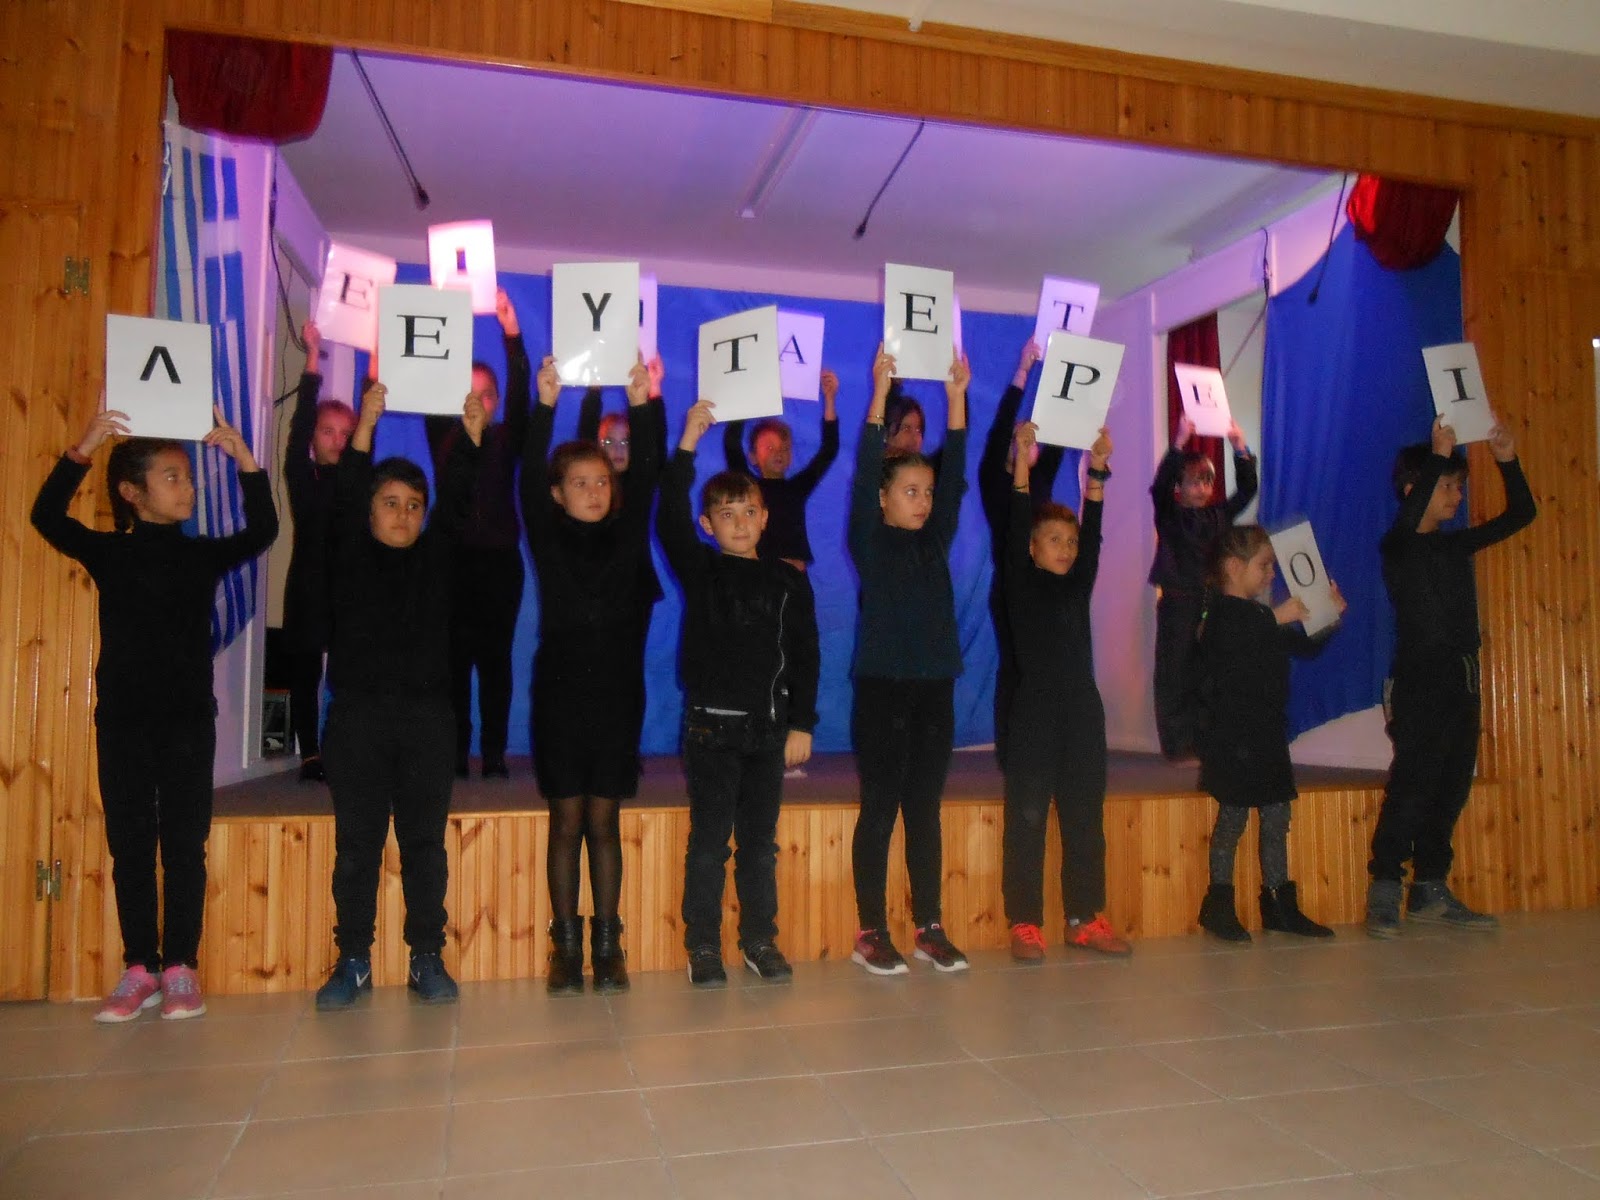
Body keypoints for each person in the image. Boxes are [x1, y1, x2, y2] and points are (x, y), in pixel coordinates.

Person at [32, 402, 277, 1022]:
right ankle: (140, 966)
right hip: (123, 723)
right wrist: (84, 446)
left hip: (189, 720)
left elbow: (263, 532)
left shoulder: (201, 556)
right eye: (173, 477)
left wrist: (245, 460)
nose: (187, 487)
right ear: (132, 492)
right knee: (132, 845)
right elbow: (45, 517)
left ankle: (181, 967)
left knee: (185, 845)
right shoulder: (110, 552)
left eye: (187, 477)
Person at [314, 383, 485, 1010]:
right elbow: (345, 489)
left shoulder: (437, 556)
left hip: (427, 722)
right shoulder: (350, 550)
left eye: (414, 506)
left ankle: (426, 957)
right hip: (357, 720)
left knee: (424, 847)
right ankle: (353, 959)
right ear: (369, 510)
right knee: (356, 847)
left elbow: (459, 496)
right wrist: (365, 423)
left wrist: (471, 435)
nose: (404, 516)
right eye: (390, 503)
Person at [658, 399, 821, 987]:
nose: (740, 522)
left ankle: (759, 939)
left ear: (765, 516)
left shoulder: (788, 581)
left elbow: (806, 654)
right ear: (709, 525)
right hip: (711, 729)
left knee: (759, 844)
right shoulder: (702, 570)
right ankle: (703, 945)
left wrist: (801, 723)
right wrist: (688, 440)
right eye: (726, 514)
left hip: (768, 731)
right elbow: (667, 515)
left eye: (749, 510)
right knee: (709, 842)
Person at [523, 354, 662, 994]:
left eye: (601, 481)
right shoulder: (547, 535)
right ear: (558, 493)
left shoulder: (628, 536)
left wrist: (642, 402)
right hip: (559, 699)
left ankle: (609, 945)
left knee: (604, 826)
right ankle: (565, 949)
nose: (593, 491)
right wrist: (545, 404)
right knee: (566, 824)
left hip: (616, 700)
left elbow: (650, 471)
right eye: (579, 482)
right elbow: (528, 474)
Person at [1365, 415, 1535, 937]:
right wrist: (1438, 453)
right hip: (1420, 679)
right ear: (1414, 490)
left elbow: (1522, 514)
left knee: (1452, 784)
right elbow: (1408, 522)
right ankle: (1385, 886)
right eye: (1447, 486)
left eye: (1459, 487)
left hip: (1462, 677)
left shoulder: (1453, 545)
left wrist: (1507, 460)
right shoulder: (1397, 545)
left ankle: (1430, 887)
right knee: (1414, 782)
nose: (1456, 496)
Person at [848, 345, 970, 976]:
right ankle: (870, 931)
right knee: (881, 807)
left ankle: (930, 927)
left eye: (927, 492)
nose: (923, 501)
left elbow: (958, 471)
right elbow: (866, 467)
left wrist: (956, 399)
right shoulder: (869, 541)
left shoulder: (936, 539)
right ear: (883, 498)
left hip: (934, 688)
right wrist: (878, 393)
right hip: (883, 690)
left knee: (925, 808)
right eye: (910, 491)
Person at [1001, 420, 1130, 960]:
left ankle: (1084, 917)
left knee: (1084, 821)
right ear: (1031, 548)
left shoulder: (1078, 583)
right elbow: (1015, 521)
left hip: (1081, 714)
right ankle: (1025, 923)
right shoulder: (1019, 579)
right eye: (1053, 539)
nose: (1066, 547)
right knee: (1028, 818)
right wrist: (1022, 463)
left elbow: (1093, 535)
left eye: (1070, 541)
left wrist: (1097, 470)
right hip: (1033, 714)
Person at [1194, 525, 1344, 942]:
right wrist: (1278, 616)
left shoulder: (1260, 618)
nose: (1272, 574)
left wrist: (1328, 617)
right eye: (1264, 566)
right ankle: (1219, 904)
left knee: (1277, 817)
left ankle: (1279, 903)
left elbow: (1305, 647)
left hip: (1267, 732)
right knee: (1233, 819)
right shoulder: (1221, 613)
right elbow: (1233, 634)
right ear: (1233, 567)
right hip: (1232, 737)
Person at [424, 289, 531, 780]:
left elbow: (523, 395)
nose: (477, 401)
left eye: (486, 393)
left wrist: (512, 333)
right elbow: (425, 377)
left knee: (495, 661)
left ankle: (492, 753)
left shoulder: (508, 438)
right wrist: (440, 320)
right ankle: (454, 752)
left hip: (500, 564)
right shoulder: (443, 437)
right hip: (452, 563)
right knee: (453, 661)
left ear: (496, 402)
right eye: (468, 392)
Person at [977, 338, 1065, 770]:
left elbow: (1063, 427)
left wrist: (1064, 370)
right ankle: (1011, 753)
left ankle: (1047, 746)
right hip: (1011, 589)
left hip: (1048, 589)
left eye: (1034, 439)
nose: (1029, 442)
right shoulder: (995, 480)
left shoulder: (1042, 477)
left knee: (1049, 667)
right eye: (1021, 438)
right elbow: (998, 432)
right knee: (1015, 666)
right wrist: (1023, 370)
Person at [1149, 414, 1257, 760]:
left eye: (1208, 482)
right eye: (1195, 482)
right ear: (1180, 486)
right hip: (1179, 602)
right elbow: (1159, 487)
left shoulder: (1217, 515)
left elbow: (1247, 491)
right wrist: (1179, 443)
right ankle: (1176, 745)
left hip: (1210, 601)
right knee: (1174, 672)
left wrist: (1239, 447)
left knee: (1205, 672)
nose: (1203, 489)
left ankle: (1202, 739)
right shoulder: (1170, 514)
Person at [281, 321, 354, 783]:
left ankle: (344, 748)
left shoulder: (357, 479)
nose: (337, 440)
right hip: (308, 584)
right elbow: (298, 427)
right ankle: (310, 753)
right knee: (305, 670)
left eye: (345, 433)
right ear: (314, 437)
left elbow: (369, 425)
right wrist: (312, 356)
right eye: (328, 432)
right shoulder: (301, 474)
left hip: (348, 587)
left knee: (347, 673)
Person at [720, 368, 840, 569]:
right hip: (759, 575)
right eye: (769, 447)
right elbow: (731, 443)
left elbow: (829, 450)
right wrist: (745, 396)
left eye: (784, 448)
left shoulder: (798, 487)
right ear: (752, 456)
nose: (778, 453)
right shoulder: (748, 487)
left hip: (795, 578)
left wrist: (829, 399)